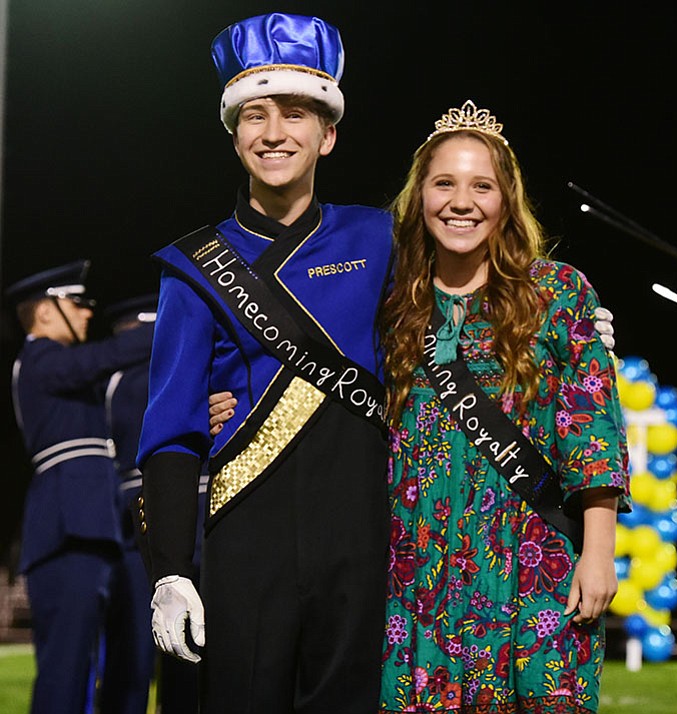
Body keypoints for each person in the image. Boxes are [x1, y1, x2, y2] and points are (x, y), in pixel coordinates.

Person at [136, 13, 393, 713]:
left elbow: (468, 307)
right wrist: (168, 572)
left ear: (328, 134)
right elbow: (171, 427)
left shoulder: (381, 237)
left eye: (296, 113)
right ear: (233, 131)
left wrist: (565, 319)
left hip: (361, 537)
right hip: (244, 544)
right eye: (254, 114)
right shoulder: (193, 266)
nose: (274, 132)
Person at [376, 101, 631, 713]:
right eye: (444, 183)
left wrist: (599, 552)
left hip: (534, 560)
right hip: (414, 568)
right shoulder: (386, 304)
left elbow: (591, 429)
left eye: (481, 185)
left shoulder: (558, 291)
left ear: (505, 201)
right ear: (420, 197)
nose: (461, 201)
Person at [5, 260, 154, 714]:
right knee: (66, 670)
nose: (89, 313)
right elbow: (106, 357)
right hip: (69, 531)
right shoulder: (40, 359)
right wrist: (176, 321)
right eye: (77, 303)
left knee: (112, 662)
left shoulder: (65, 371)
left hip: (93, 530)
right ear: (45, 313)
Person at [102, 294, 205, 714]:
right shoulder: (175, 374)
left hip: (135, 520)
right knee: (187, 647)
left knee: (138, 651)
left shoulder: (112, 382)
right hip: (187, 516)